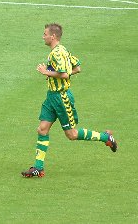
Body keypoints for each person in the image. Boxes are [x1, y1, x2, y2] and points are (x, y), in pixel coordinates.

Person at [21, 23, 117, 178]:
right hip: (51, 97)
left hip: (61, 97)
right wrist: (52, 73)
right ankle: (38, 168)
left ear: (53, 36)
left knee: (71, 134)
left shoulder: (56, 54)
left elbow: (64, 74)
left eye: (45, 34)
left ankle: (106, 137)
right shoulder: (62, 50)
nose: (43, 36)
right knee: (42, 129)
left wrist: (46, 71)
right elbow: (77, 67)